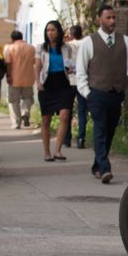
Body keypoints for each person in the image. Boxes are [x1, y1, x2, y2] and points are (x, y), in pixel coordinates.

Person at [76, 4, 128, 184]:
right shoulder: (89, 42)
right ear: (100, 19)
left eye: (114, 18)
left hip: (116, 94)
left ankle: (97, 165)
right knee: (100, 129)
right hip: (96, 94)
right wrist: (87, 93)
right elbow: (81, 71)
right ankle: (105, 168)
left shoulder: (125, 41)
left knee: (110, 130)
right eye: (108, 18)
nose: (112, 21)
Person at [35, 20, 74, 162]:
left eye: (53, 30)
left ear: (58, 32)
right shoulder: (41, 48)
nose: (50, 33)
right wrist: (38, 83)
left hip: (63, 84)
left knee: (64, 115)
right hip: (47, 84)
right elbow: (37, 67)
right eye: (48, 30)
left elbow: (70, 66)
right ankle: (47, 152)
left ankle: (58, 150)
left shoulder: (66, 48)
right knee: (46, 119)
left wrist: (71, 69)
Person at [3, 30, 36, 130]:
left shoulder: (9, 48)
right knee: (28, 98)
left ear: (12, 39)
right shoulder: (31, 48)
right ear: (22, 37)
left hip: (14, 78)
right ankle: (25, 112)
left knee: (13, 101)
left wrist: (8, 75)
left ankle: (16, 122)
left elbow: (8, 63)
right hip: (28, 78)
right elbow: (35, 61)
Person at [64, 25, 88, 149]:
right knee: (82, 111)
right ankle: (81, 139)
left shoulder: (68, 45)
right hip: (83, 81)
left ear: (71, 34)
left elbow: (66, 62)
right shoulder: (87, 43)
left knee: (67, 110)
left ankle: (67, 138)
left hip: (70, 81)